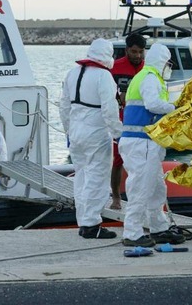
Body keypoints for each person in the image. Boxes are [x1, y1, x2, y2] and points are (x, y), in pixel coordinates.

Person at [119, 43, 185, 247]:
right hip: (142, 143)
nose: (169, 67)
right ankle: (132, 232)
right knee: (140, 188)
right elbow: (152, 104)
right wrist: (175, 108)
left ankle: (158, 227)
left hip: (145, 143)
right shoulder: (150, 78)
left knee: (156, 188)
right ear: (162, 61)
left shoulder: (147, 76)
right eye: (168, 63)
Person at [59, 38, 122, 239]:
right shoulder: (103, 76)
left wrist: (69, 131)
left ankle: (83, 222)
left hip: (76, 132)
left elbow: (64, 107)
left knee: (81, 177)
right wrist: (118, 134)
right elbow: (110, 109)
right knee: (97, 178)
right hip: (96, 133)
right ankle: (92, 224)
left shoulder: (72, 73)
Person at [108, 33, 146, 209]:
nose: (137, 55)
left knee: (140, 160)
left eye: (140, 52)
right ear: (126, 50)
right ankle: (116, 197)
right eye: (134, 51)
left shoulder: (148, 69)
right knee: (118, 160)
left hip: (142, 122)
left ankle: (138, 198)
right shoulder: (114, 68)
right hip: (120, 120)